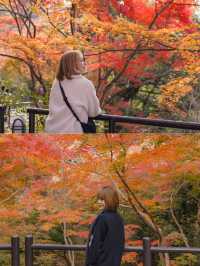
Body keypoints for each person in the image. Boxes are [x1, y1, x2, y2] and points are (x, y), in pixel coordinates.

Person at [45, 50, 101, 133]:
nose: (84, 63)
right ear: (73, 64)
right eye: (81, 61)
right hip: (73, 133)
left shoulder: (57, 82)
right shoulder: (85, 84)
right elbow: (94, 112)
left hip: (52, 131)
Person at [85, 186, 125, 266]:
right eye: (99, 199)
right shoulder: (118, 218)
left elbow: (95, 244)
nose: (99, 202)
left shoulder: (102, 218)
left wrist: (90, 262)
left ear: (109, 200)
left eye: (102, 199)